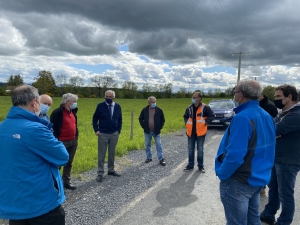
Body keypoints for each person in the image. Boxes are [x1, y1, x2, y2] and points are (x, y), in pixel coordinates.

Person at [0, 85, 69, 225]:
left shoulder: (2, 127)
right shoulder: (36, 129)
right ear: (34, 102)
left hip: (14, 203)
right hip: (40, 203)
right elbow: (62, 157)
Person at [215, 79, 276, 225]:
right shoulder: (266, 115)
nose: (234, 95)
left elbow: (235, 156)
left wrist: (222, 174)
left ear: (240, 95)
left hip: (239, 180)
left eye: (234, 92)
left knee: (236, 222)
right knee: (253, 219)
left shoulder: (242, 118)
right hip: (258, 178)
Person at [260, 84, 300, 225]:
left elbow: (273, 131)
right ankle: (269, 213)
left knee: (285, 193)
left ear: (289, 97)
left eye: (278, 96)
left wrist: (273, 132)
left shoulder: (296, 114)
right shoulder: (283, 113)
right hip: (277, 157)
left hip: (288, 160)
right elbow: (272, 129)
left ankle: (284, 221)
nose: (275, 99)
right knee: (274, 188)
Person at [92, 90, 122, 183]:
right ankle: (100, 173)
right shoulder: (100, 106)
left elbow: (120, 120)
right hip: (103, 134)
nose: (108, 98)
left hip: (114, 133)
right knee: (102, 154)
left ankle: (111, 170)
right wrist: (96, 130)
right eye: (107, 96)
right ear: (105, 97)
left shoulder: (117, 106)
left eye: (110, 97)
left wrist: (118, 131)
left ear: (114, 97)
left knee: (112, 153)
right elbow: (95, 118)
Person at [50, 93, 79, 190]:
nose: (75, 103)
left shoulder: (73, 111)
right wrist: (56, 141)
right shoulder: (57, 113)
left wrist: (76, 136)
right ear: (67, 101)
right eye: (74, 101)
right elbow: (52, 128)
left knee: (69, 163)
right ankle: (55, 184)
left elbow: (75, 124)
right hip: (61, 142)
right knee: (58, 163)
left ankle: (66, 182)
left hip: (73, 141)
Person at [183, 91, 215, 172]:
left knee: (200, 150)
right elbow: (185, 116)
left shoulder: (205, 107)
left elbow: (212, 115)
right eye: (192, 97)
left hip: (201, 132)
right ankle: (190, 165)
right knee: (190, 149)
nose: (192, 99)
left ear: (199, 98)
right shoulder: (189, 108)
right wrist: (186, 123)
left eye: (194, 97)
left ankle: (200, 166)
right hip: (191, 132)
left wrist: (206, 122)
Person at [258, 94, 278, 195]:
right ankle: (261, 187)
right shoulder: (259, 105)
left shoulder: (269, 106)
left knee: (264, 163)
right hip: (260, 140)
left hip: (266, 141)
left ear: (260, 95)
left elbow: (274, 124)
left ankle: (263, 187)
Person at [139, 96, 166, 166]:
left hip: (156, 131)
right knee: (147, 145)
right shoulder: (144, 110)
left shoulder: (159, 110)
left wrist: (160, 127)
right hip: (147, 131)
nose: (154, 103)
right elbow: (140, 119)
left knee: (159, 145)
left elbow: (163, 120)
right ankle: (149, 157)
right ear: (148, 102)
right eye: (152, 102)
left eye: (155, 102)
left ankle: (161, 159)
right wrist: (144, 126)